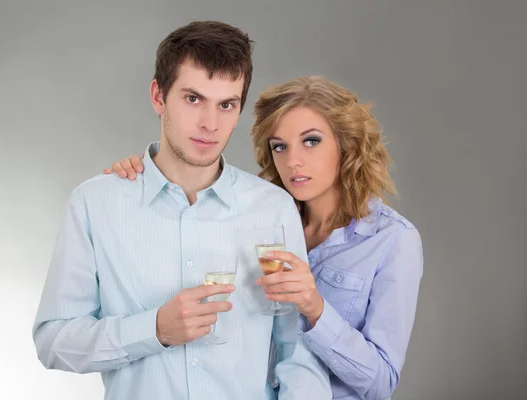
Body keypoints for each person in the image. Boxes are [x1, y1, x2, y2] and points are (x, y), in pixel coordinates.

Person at [32, 21, 332, 400]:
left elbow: (298, 349)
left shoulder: (272, 208)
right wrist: (154, 330)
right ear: (159, 96)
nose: (211, 124)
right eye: (193, 99)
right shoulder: (95, 204)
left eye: (227, 105)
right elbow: (53, 341)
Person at [104, 75, 424, 400]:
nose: (292, 160)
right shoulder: (260, 219)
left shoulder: (393, 241)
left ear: (348, 144)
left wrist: (315, 309)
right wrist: (141, 176)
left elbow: (381, 382)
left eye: (311, 141)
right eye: (279, 146)